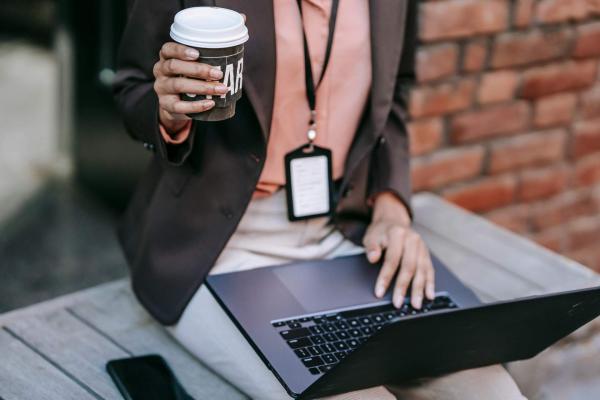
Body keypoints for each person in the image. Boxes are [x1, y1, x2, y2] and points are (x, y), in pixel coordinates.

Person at [113, 0, 527, 399]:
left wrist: (391, 208)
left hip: (344, 232)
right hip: (217, 247)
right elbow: (132, 88)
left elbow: (393, 94)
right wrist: (167, 111)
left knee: (491, 390)